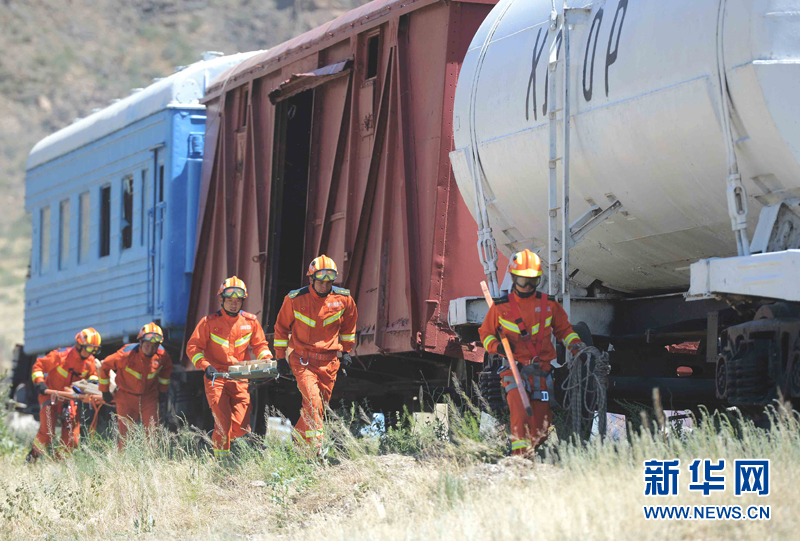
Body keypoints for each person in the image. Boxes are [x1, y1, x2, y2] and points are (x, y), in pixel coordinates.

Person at [479, 249, 584, 455]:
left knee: (541, 428)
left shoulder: (549, 305)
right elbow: (486, 334)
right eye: (522, 280)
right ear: (513, 278)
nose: (527, 286)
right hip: (514, 371)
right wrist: (497, 347)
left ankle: (530, 451)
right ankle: (520, 461)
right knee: (520, 414)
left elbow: (565, 331)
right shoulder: (501, 308)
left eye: (532, 281)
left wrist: (577, 347)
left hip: (542, 374)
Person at [273, 255, 358, 450]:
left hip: (329, 364)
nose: (324, 285)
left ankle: (299, 447)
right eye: (320, 281)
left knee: (318, 408)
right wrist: (280, 358)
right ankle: (316, 449)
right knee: (313, 403)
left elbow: (349, 326)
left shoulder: (344, 299)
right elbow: (281, 329)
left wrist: (346, 351)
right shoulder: (294, 299)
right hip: (303, 362)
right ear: (311, 279)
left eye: (329, 282)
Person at [186, 276, 272, 458]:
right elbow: (193, 348)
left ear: (242, 301)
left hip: (239, 377)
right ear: (222, 299)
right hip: (216, 378)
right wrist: (205, 366)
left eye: (238, 300)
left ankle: (223, 444)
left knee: (241, 427)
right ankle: (221, 461)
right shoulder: (208, 322)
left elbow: (260, 345)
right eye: (230, 300)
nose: (234, 304)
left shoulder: (250, 322)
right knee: (222, 422)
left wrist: (266, 361)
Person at [28, 327, 102, 460]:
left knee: (72, 439)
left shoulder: (90, 362)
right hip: (50, 395)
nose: (91, 353)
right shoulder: (60, 356)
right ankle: (33, 457)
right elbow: (38, 366)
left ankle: (59, 463)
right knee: (47, 432)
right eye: (89, 348)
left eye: (95, 350)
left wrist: (90, 384)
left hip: (70, 399)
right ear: (79, 345)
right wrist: (40, 383)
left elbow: (94, 377)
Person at [98, 322, 172, 448]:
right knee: (126, 437)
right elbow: (105, 366)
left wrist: (162, 391)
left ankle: (152, 458)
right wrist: (104, 391)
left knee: (153, 434)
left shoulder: (162, 356)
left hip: (149, 398)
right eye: (147, 345)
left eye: (154, 346)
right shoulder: (126, 355)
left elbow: (166, 371)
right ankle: (123, 459)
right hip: (126, 398)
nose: (151, 349)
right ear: (141, 342)